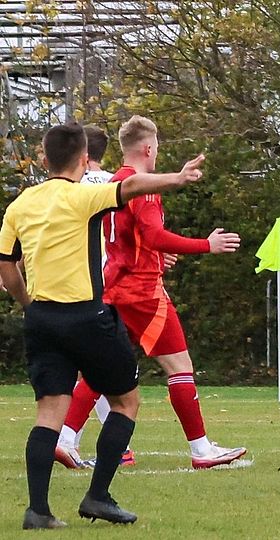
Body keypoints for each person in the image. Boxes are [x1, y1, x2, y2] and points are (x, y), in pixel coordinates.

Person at [0, 122, 205, 528]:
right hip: (86, 316)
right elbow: (128, 188)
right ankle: (97, 496)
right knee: (126, 401)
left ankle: (38, 511)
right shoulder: (84, 197)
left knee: (48, 413)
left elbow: (7, 271)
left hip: (41, 318)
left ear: (43, 159)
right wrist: (177, 178)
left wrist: (28, 304)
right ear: (83, 160)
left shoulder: (20, 205)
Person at [57, 116, 247, 470]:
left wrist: (156, 252)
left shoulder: (115, 183)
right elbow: (154, 235)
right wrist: (206, 244)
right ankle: (202, 449)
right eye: (156, 148)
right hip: (143, 291)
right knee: (180, 367)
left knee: (99, 368)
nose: (157, 154)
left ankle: (66, 438)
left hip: (113, 287)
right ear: (148, 148)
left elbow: (134, 237)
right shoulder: (144, 186)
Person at [56, 124, 136, 469]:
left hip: (65, 278)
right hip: (107, 281)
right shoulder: (114, 183)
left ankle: (97, 441)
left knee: (92, 366)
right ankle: (68, 437)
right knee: (103, 364)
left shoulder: (63, 186)